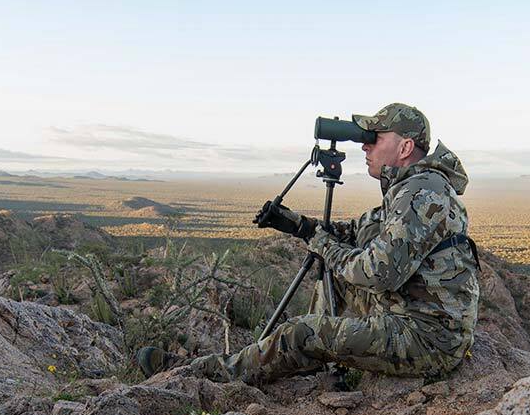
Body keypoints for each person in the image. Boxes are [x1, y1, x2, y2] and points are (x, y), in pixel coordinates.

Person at [158, 103, 479, 385]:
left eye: (374, 139)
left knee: (300, 333)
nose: (365, 147)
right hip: (410, 310)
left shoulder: (422, 192)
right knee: (334, 281)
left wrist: (320, 242)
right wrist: (301, 226)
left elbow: (377, 272)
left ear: (405, 147)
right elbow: (359, 230)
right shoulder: (415, 185)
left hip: (427, 337)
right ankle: (310, 358)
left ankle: (207, 374)